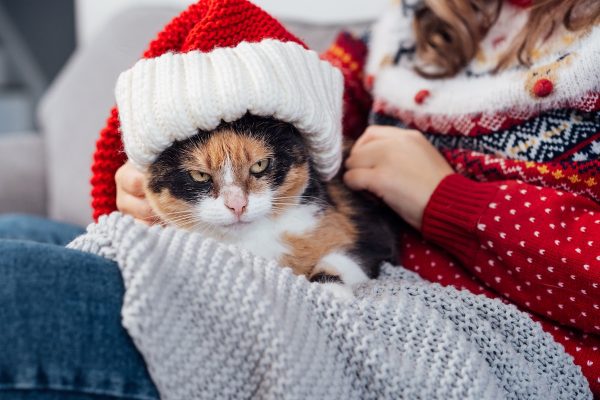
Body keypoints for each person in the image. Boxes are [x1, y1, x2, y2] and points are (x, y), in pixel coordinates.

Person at [1, 0, 598, 397]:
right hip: (311, 261)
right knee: (26, 230)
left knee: (18, 283)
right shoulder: (411, 27)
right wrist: (141, 183)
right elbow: (302, 112)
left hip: (471, 332)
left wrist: (449, 201)